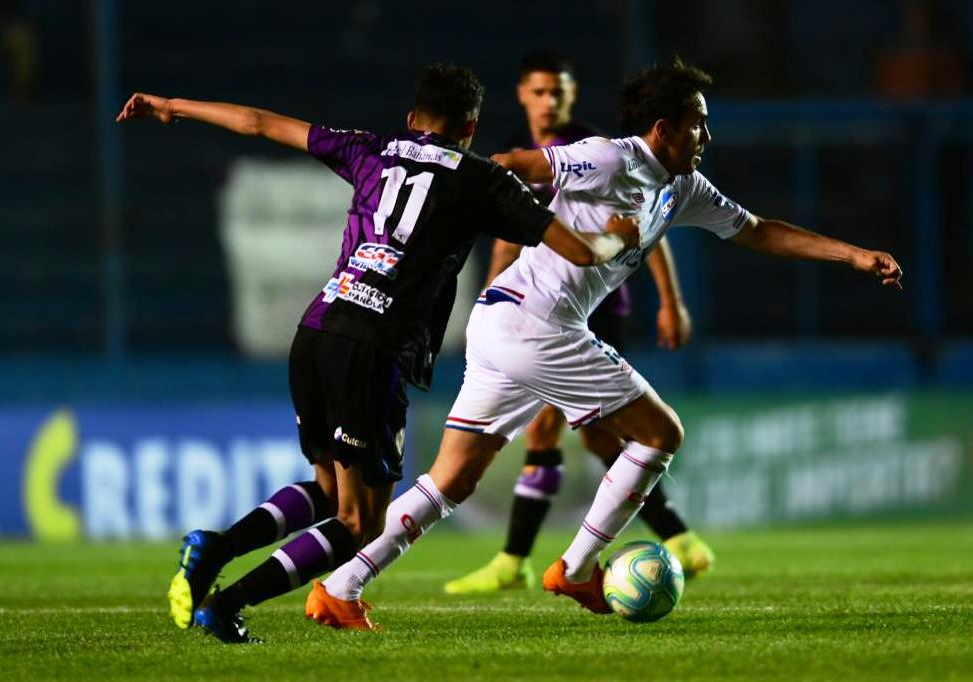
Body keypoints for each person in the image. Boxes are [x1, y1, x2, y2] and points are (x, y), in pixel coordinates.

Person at [306, 57, 903, 630]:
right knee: (660, 433)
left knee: (453, 479)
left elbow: (759, 231)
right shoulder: (607, 159)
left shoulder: (683, 186)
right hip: (538, 324)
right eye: (698, 123)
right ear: (663, 129)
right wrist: (454, 206)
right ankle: (576, 567)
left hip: (505, 322)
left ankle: (341, 588)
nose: (708, 135)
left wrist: (852, 254)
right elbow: (513, 162)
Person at [115, 63, 641, 643]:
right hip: (372, 347)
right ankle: (228, 603)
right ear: (471, 126)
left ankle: (216, 547)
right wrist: (620, 234)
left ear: (413, 119)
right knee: (359, 521)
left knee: (326, 490)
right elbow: (581, 252)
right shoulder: (481, 179)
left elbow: (258, 122)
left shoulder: (370, 148)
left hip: (317, 327)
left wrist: (171, 104)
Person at [444, 50, 712, 596]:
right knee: (588, 434)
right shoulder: (540, 153)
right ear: (522, 94)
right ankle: (655, 540)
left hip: (589, 311)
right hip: (536, 308)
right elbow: (519, 223)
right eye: (541, 91)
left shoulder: (595, 149)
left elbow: (644, 226)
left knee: (588, 431)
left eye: (559, 91)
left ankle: (523, 559)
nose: (551, 101)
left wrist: (669, 299)